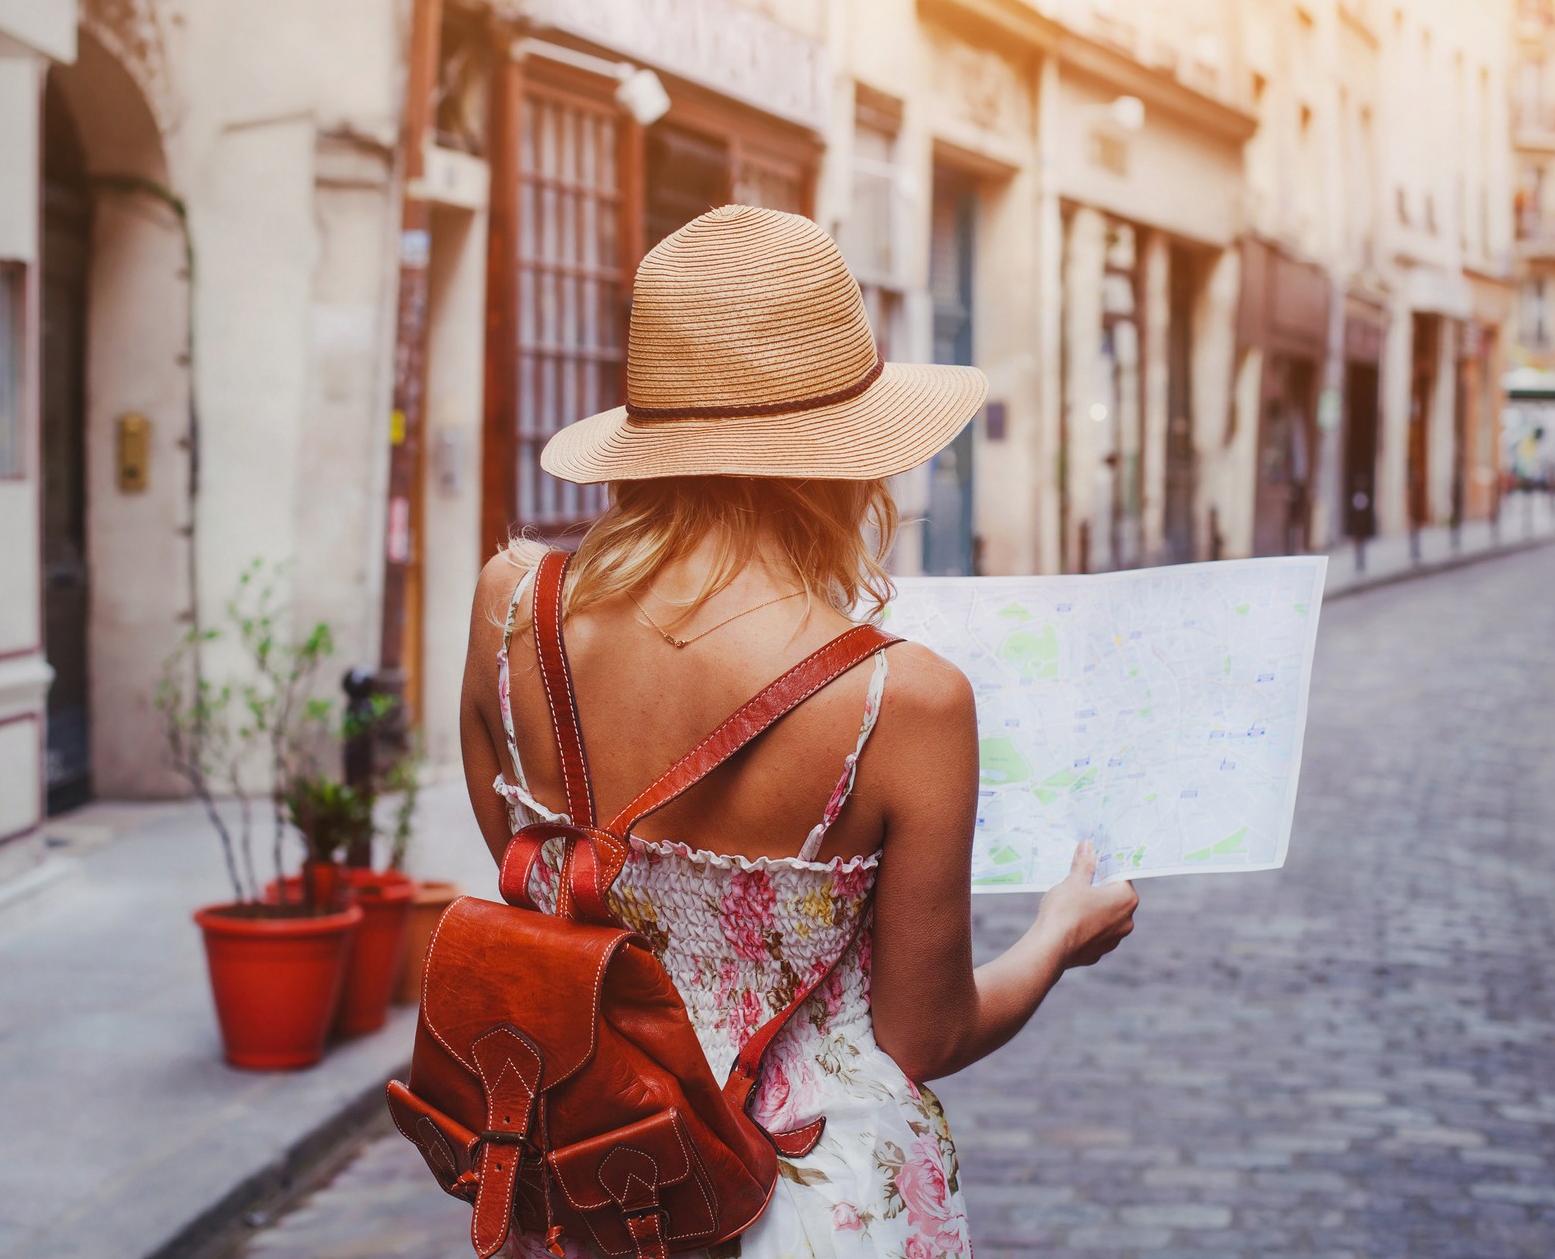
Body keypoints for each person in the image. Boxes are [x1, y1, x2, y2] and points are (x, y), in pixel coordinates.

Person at [458, 205, 1139, 1258]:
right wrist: (1056, 935)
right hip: (813, 1202)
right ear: (842, 455)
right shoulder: (903, 701)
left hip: (588, 1182)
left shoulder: (511, 607)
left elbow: (543, 880)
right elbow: (928, 1033)